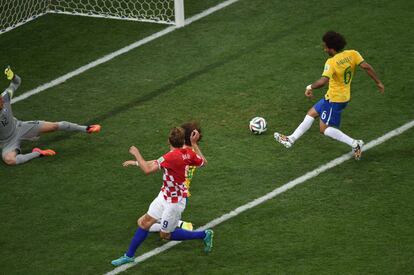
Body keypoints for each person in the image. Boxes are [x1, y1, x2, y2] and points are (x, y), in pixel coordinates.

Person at [111, 127, 213, 267]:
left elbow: (147, 170)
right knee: (143, 223)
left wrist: (137, 154)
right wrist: (194, 143)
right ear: (183, 141)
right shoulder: (188, 153)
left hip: (174, 203)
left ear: (168, 141)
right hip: (164, 196)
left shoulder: (169, 157)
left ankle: (204, 234)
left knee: (165, 235)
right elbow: (203, 162)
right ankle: (129, 256)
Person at [274, 31, 384, 160]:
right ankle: (290, 139)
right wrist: (378, 82)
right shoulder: (353, 54)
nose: (324, 49)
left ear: (332, 48)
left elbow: (322, 81)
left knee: (324, 129)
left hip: (335, 100)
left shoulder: (331, 62)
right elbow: (366, 67)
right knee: (311, 113)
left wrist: (309, 87)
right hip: (336, 96)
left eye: (325, 47)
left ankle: (355, 143)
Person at [0, 67, 101, 166]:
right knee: (9, 160)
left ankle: (87, 128)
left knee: (54, 126)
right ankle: (38, 153)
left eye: (0, 99)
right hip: (8, 142)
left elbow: (17, 82)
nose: (2, 101)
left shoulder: (6, 97)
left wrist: (13, 76)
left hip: (20, 127)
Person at [147, 122, 202, 233]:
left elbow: (160, 162)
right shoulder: (192, 153)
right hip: (182, 191)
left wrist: (139, 162)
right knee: (154, 223)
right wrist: (195, 143)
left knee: (154, 226)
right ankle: (175, 224)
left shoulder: (180, 153)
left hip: (175, 192)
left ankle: (181, 225)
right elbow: (202, 161)